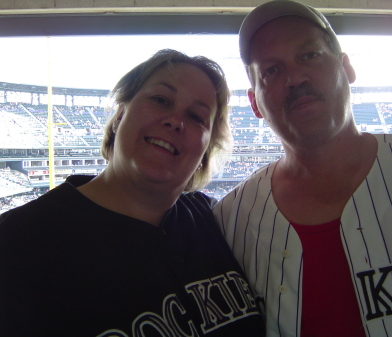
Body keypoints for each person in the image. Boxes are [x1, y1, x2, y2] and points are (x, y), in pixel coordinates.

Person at [214, 1, 392, 336]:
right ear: (254, 103)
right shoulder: (230, 220)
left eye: (310, 55)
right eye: (271, 71)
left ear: (347, 68)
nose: (295, 77)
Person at [0, 49, 265, 337]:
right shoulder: (21, 239)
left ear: (205, 151)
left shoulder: (217, 220)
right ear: (119, 116)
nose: (176, 120)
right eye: (161, 100)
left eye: (197, 116)